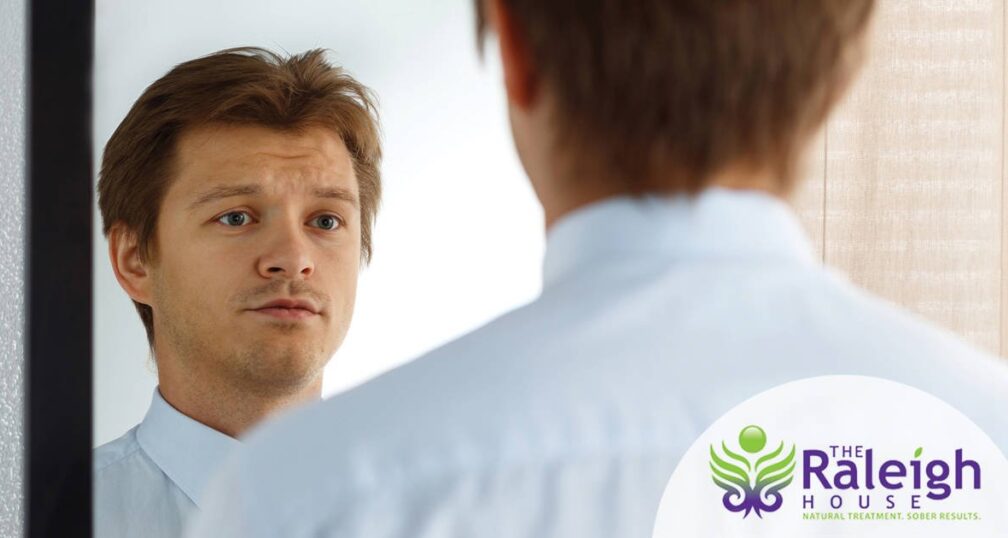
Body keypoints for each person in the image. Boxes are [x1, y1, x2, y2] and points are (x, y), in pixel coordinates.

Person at [189, 2, 1008, 536]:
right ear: (844, 66)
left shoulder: (306, 494)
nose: (290, 257)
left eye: (326, 219)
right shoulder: (988, 437)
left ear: (514, 51)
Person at [92, 47, 382, 538]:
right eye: (236, 217)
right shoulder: (41, 520)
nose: (293, 258)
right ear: (134, 258)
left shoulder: (460, 514)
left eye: (326, 220)